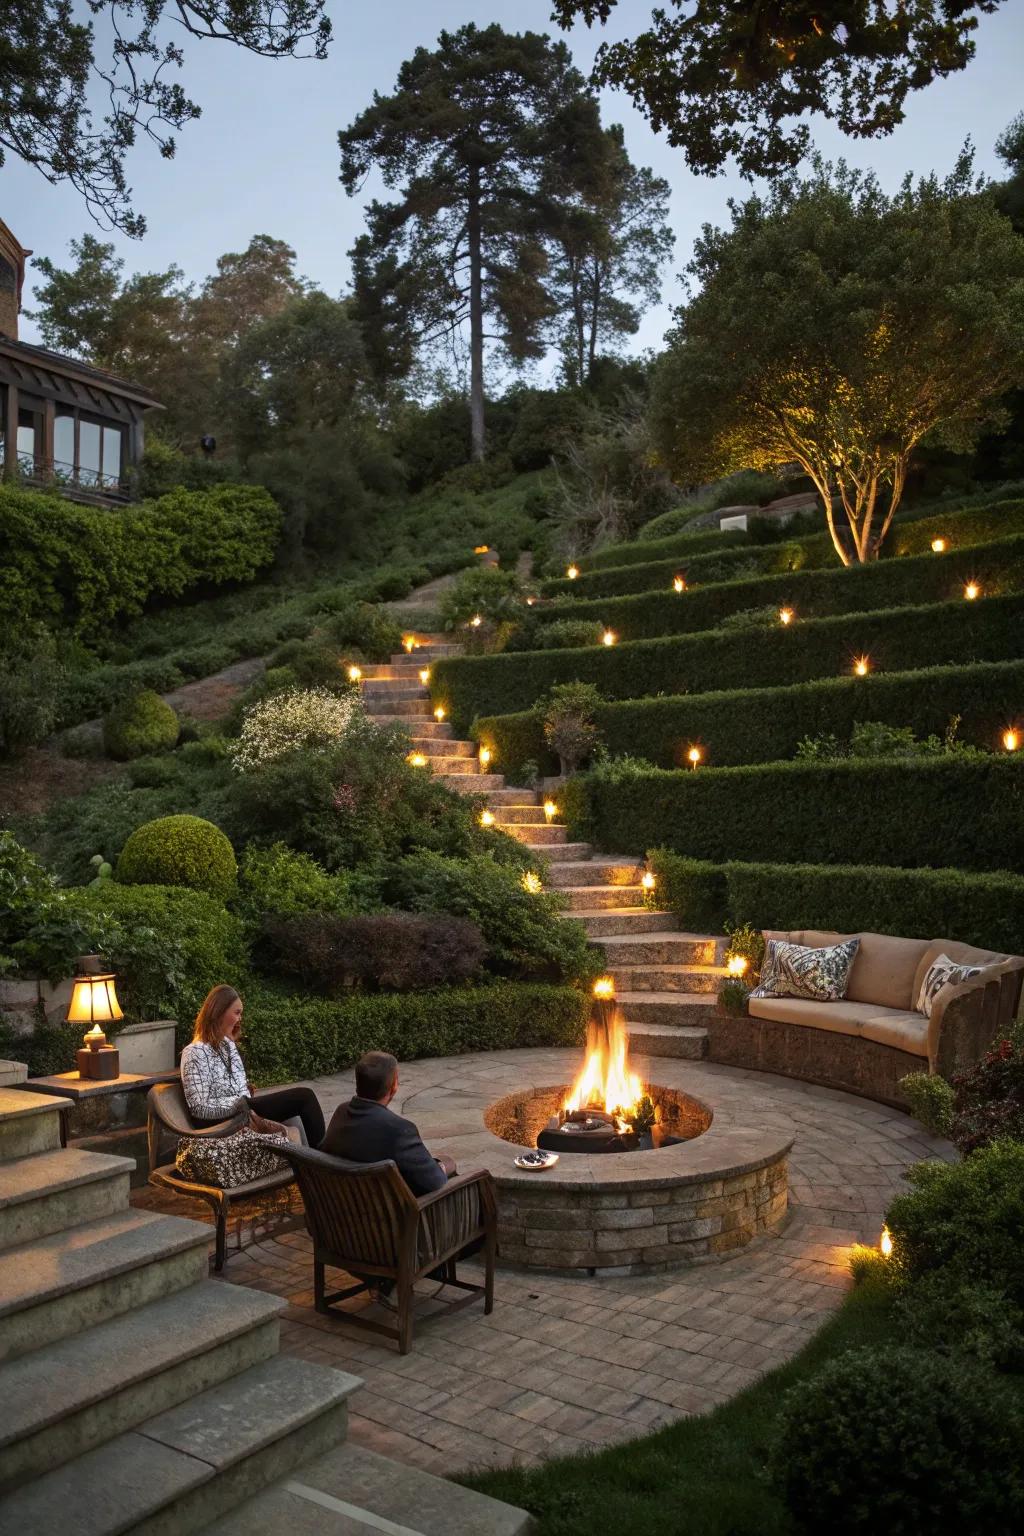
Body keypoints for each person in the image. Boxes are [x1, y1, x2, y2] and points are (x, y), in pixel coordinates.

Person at [180, 984, 326, 1148]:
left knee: (295, 1117)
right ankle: (323, 1157)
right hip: (224, 1121)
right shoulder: (194, 1052)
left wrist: (245, 1099)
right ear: (219, 1012)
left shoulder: (228, 1046)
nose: (240, 1019)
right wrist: (239, 1105)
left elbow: (240, 1087)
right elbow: (199, 1109)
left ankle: (310, 1163)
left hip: (244, 1110)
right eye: (237, 1013)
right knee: (304, 1097)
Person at [321, 1050, 456, 1196]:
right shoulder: (399, 1130)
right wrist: (443, 1166)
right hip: (389, 1215)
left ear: (358, 1083)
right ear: (394, 1086)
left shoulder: (342, 1112)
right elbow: (434, 1182)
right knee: (449, 1165)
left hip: (346, 1203)